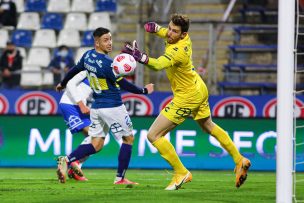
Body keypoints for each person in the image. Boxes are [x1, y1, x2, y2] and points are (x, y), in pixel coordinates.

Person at [123, 13, 251, 190]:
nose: (169, 33)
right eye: (169, 28)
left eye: (174, 31)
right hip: (198, 87)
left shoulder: (178, 51)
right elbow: (166, 32)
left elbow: (158, 64)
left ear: (183, 35)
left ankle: (181, 172)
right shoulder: (179, 36)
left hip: (187, 96)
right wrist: (156, 30)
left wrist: (140, 57)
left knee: (153, 135)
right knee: (208, 125)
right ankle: (239, 159)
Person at [55, 27, 154, 184]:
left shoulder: (88, 56)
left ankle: (67, 160)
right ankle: (120, 178)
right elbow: (124, 84)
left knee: (96, 144)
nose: (110, 43)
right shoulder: (108, 64)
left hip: (97, 107)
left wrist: (63, 82)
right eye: (105, 40)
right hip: (113, 105)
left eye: (110, 39)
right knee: (128, 139)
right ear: (97, 42)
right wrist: (143, 91)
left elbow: (74, 70)